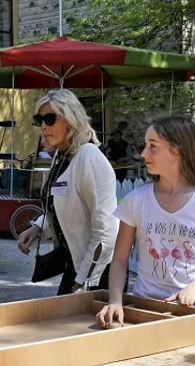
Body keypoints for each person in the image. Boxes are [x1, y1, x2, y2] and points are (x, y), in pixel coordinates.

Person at [96, 115, 195, 327]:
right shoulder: (136, 200)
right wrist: (115, 301)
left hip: (193, 312)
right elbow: (119, 259)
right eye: (145, 146)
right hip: (145, 310)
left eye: (152, 146)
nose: (143, 153)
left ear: (177, 150)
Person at [16, 89, 119, 294]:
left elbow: (107, 232)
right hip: (76, 265)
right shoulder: (63, 157)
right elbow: (63, 202)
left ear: (72, 120)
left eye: (50, 118)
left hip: (98, 272)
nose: (44, 126)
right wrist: (38, 227)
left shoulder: (89, 157)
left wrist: (83, 282)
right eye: (40, 119)